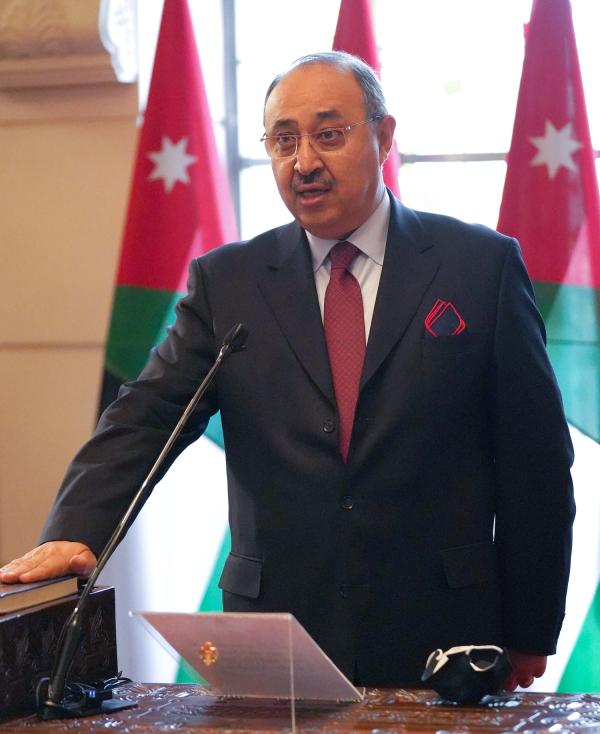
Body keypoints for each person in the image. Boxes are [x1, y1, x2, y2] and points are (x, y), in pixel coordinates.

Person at [0, 52, 575, 690]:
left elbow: (536, 461)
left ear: (384, 136)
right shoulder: (230, 282)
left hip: (444, 629)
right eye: (283, 140)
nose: (303, 162)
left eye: (328, 134)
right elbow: (147, 414)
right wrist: (76, 529)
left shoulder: (479, 267)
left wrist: (531, 625)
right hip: (279, 630)